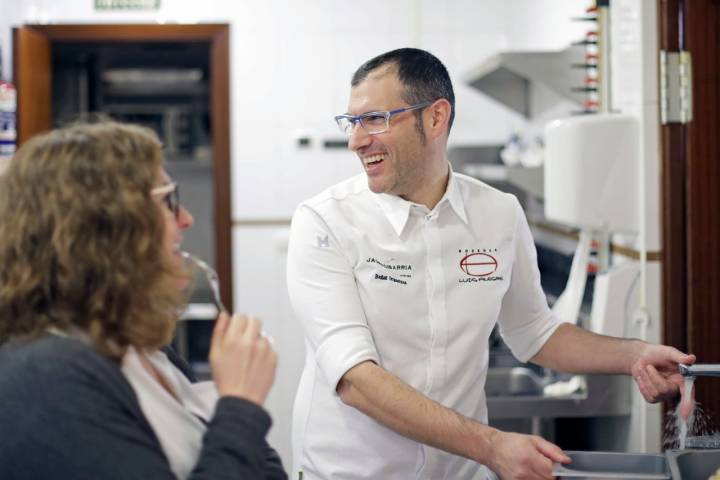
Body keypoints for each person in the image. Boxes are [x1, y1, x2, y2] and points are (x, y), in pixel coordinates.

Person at [286, 48, 695, 480]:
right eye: (352, 122)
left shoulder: (498, 213)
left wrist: (633, 355)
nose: (356, 140)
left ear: (436, 118)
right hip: (352, 473)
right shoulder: (324, 222)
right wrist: (491, 445)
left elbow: (535, 333)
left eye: (375, 119)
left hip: (459, 473)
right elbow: (355, 380)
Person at [0, 121, 287, 480]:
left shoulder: (141, 346)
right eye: (169, 201)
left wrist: (238, 409)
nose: (186, 218)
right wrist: (241, 405)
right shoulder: (48, 379)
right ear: (104, 227)